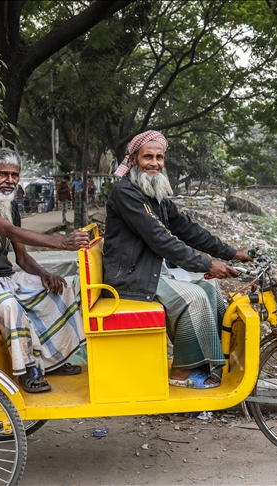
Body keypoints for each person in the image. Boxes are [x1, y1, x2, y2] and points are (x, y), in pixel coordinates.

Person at [102, 131, 253, 390]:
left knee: (209, 287)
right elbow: (161, 240)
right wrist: (207, 264)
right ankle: (181, 371)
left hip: (149, 270)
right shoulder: (126, 193)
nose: (154, 163)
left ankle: (209, 358)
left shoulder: (154, 193)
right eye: (147, 156)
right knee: (193, 297)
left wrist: (230, 252)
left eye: (159, 157)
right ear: (134, 159)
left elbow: (186, 228)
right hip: (130, 278)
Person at [0, 148, 90, 393]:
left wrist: (45, 274)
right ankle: (29, 370)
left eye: (14, 175)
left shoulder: (9, 205)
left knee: (62, 287)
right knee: (9, 305)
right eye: (3, 174)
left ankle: (54, 360)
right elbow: (11, 232)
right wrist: (62, 242)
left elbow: (23, 257)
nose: (10, 180)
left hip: (5, 278)